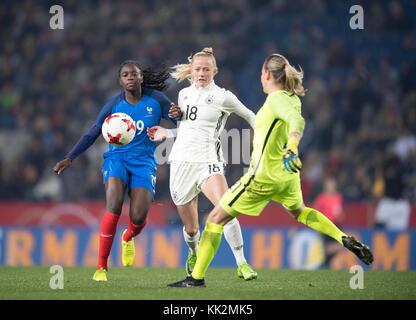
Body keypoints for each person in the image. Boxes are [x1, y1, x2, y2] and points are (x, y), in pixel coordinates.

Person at [168, 53, 374, 287]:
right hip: (287, 175)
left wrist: (293, 146)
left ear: (266, 74)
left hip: (261, 176)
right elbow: (295, 119)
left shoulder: (275, 99)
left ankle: (196, 278)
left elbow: (296, 123)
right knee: (301, 212)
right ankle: (342, 237)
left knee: (215, 218)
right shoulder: (293, 98)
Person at [53, 60, 180, 281]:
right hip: (116, 159)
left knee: (138, 217)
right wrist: (70, 157)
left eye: (134, 74)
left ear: (141, 78)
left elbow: (178, 120)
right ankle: (101, 267)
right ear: (120, 81)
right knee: (113, 205)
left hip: (144, 162)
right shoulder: (113, 105)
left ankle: (128, 236)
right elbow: (93, 132)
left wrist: (177, 114)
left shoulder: (157, 100)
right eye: (125, 75)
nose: (130, 77)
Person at [147, 48, 258, 280]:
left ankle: (242, 263)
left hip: (209, 161)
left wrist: (265, 136)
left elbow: (250, 116)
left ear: (214, 71)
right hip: (181, 162)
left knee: (226, 208)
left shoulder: (223, 96)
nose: (201, 73)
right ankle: (194, 252)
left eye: (206, 69)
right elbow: (188, 129)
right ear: (192, 71)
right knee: (191, 229)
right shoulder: (184, 95)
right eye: (197, 69)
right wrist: (166, 133)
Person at [312, 176, 344, 268]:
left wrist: (341, 216)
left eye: (333, 184)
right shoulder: (322, 198)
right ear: (326, 186)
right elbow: (315, 211)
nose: (332, 186)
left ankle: (325, 263)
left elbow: (339, 210)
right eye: (329, 184)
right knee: (331, 246)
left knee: (339, 246)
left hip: (337, 225)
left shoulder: (338, 196)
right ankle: (324, 263)